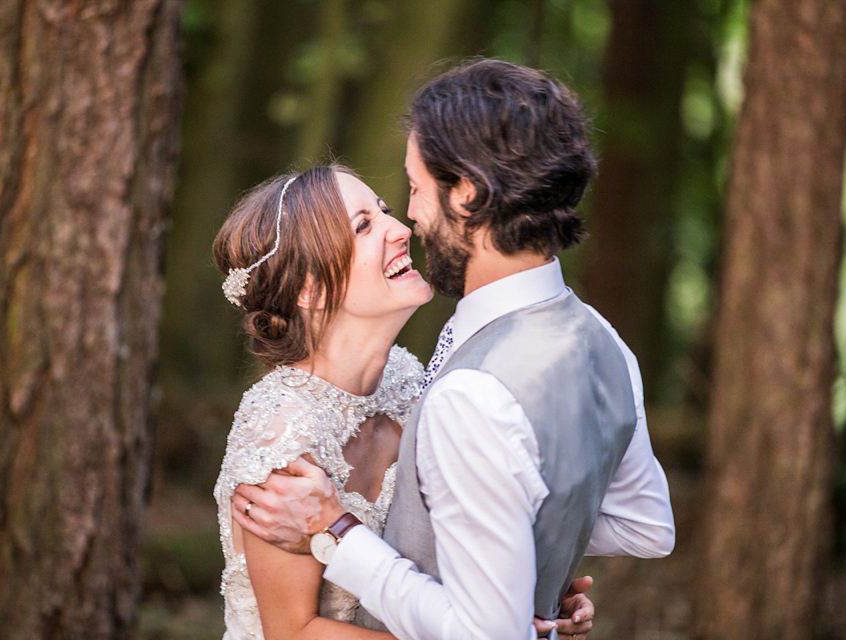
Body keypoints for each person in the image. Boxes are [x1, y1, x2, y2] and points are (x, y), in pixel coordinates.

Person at [231, 59, 675, 640]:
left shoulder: (449, 389)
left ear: (466, 194)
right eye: (366, 224)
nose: (407, 221)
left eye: (408, 194)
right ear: (310, 290)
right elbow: (644, 526)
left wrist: (340, 533)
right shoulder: (600, 337)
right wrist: (512, 586)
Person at [212, 164, 597, 640]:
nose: (401, 229)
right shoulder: (282, 436)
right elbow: (293, 633)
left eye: (385, 211)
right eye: (364, 226)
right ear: (309, 289)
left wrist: (527, 598)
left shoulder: (407, 382)